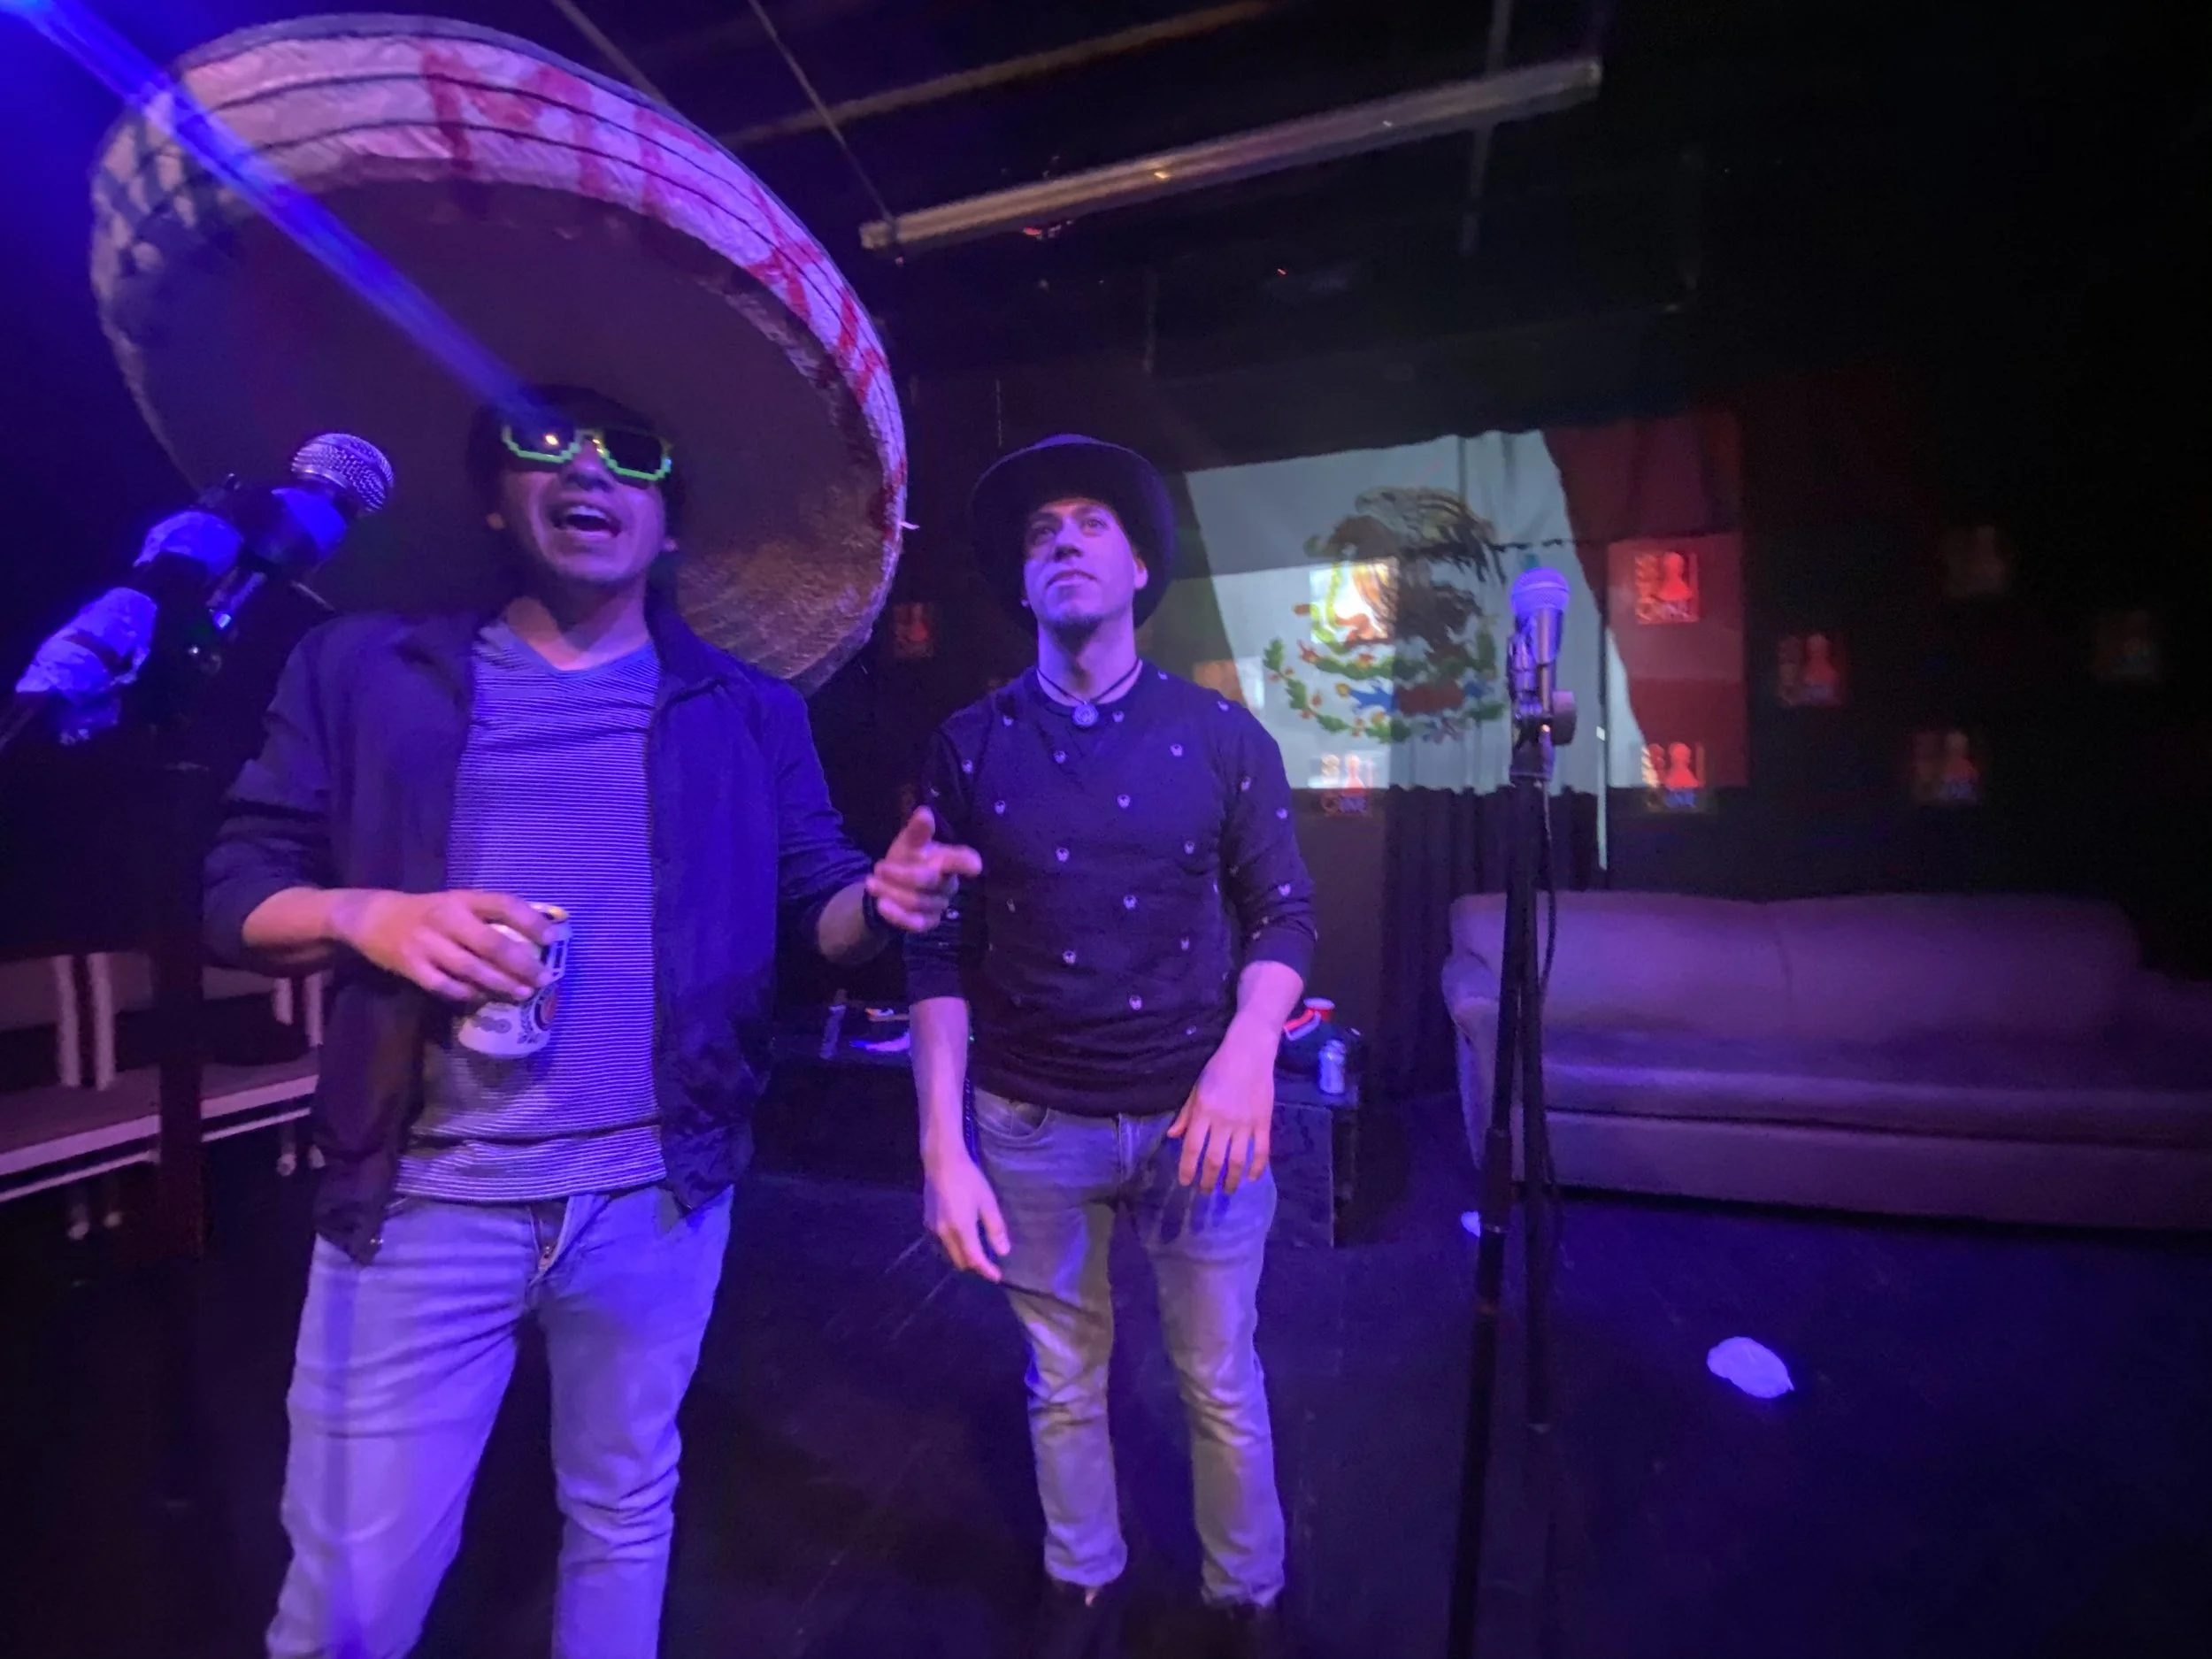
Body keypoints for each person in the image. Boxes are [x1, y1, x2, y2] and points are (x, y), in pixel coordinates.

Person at [204, 383, 979, 1659]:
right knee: (352, 1595)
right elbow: (234, 890)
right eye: (542, 443)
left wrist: (880, 906)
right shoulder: (363, 669)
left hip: (653, 1195)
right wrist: (369, 918)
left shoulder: (747, 709)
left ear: (667, 523)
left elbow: (819, 910)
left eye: (632, 454)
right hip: (420, 1196)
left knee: (622, 1510)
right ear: (494, 500)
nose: (588, 470)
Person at [903, 434, 1317, 1659]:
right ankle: (1083, 1580)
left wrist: (1252, 1048)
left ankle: (1247, 1595)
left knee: (1219, 1380)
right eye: (1042, 535)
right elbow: (932, 952)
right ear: (1022, 584)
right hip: (1031, 1125)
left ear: (1140, 566)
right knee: (1061, 1379)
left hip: (1204, 1118)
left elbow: (1285, 908)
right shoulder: (970, 744)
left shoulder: (1223, 735)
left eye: (1091, 525)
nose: (1064, 544)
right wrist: (943, 1144)